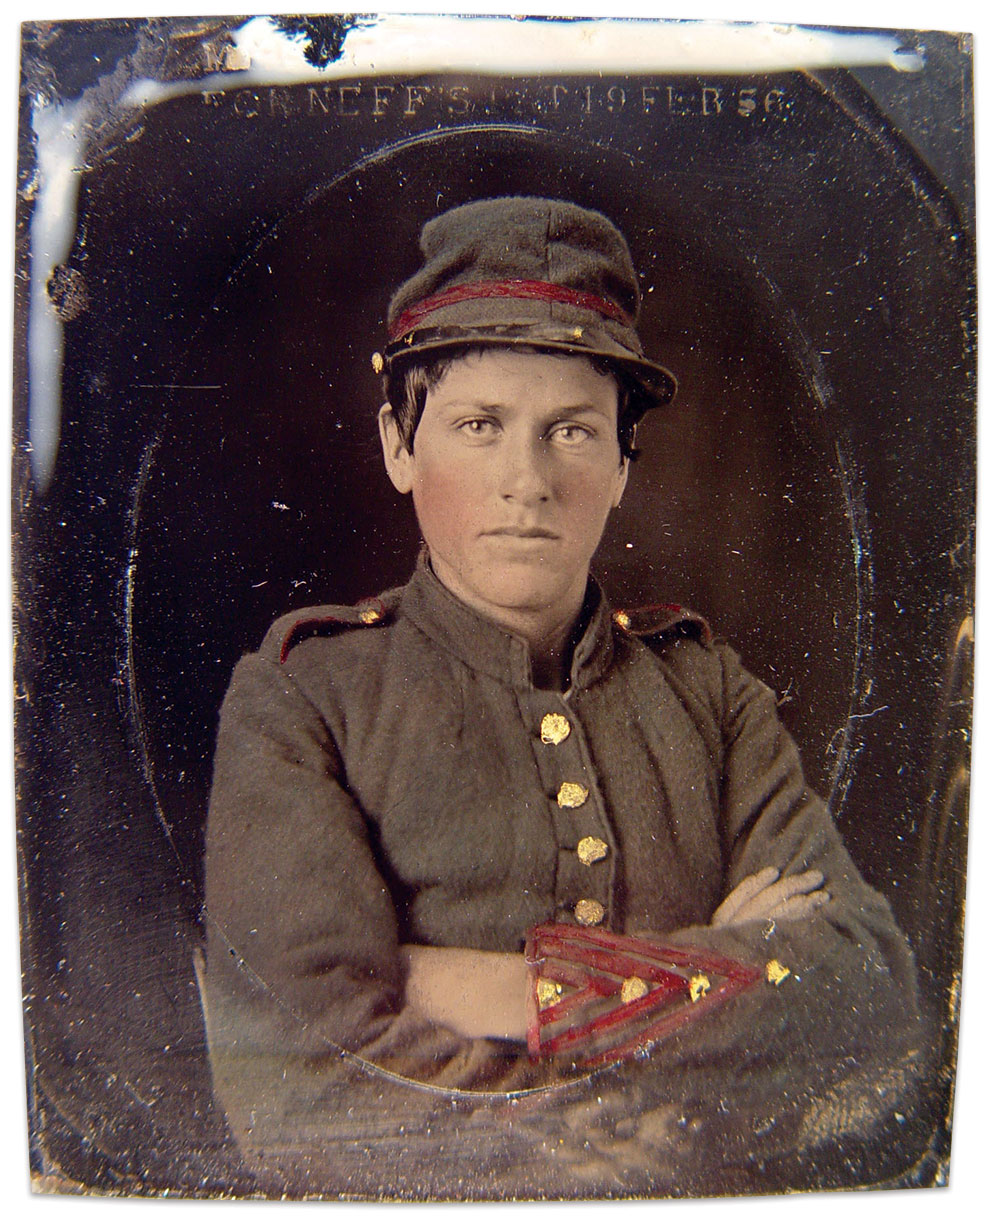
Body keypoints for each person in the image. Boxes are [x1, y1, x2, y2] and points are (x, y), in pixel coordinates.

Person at [202, 196, 924, 1198]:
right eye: (479, 425)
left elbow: (867, 989)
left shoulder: (707, 690)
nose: (527, 480)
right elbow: (299, 1084)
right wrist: (690, 1012)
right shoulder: (307, 699)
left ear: (623, 465)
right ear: (400, 446)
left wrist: (519, 992)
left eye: (573, 431)